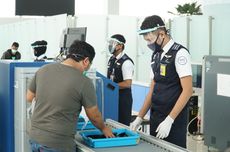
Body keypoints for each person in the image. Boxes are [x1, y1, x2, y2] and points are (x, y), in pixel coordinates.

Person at [26, 40, 114, 152]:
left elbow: (29, 97)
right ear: (86, 61)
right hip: (57, 143)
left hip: (35, 138)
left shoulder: (44, 69)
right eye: (89, 65)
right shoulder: (84, 81)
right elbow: (94, 115)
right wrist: (104, 128)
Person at [130, 15, 193, 148]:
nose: (149, 44)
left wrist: (169, 120)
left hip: (173, 120)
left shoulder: (180, 53)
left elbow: (187, 91)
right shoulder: (156, 55)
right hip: (156, 116)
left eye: (150, 40)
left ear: (162, 34)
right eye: (146, 40)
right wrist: (140, 117)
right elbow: (153, 88)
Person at [107, 34, 134, 126]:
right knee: (111, 124)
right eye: (109, 43)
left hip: (123, 100)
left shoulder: (126, 62)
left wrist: (110, 86)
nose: (110, 45)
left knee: (122, 125)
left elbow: (127, 84)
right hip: (112, 97)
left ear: (120, 46)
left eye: (113, 43)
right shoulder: (111, 59)